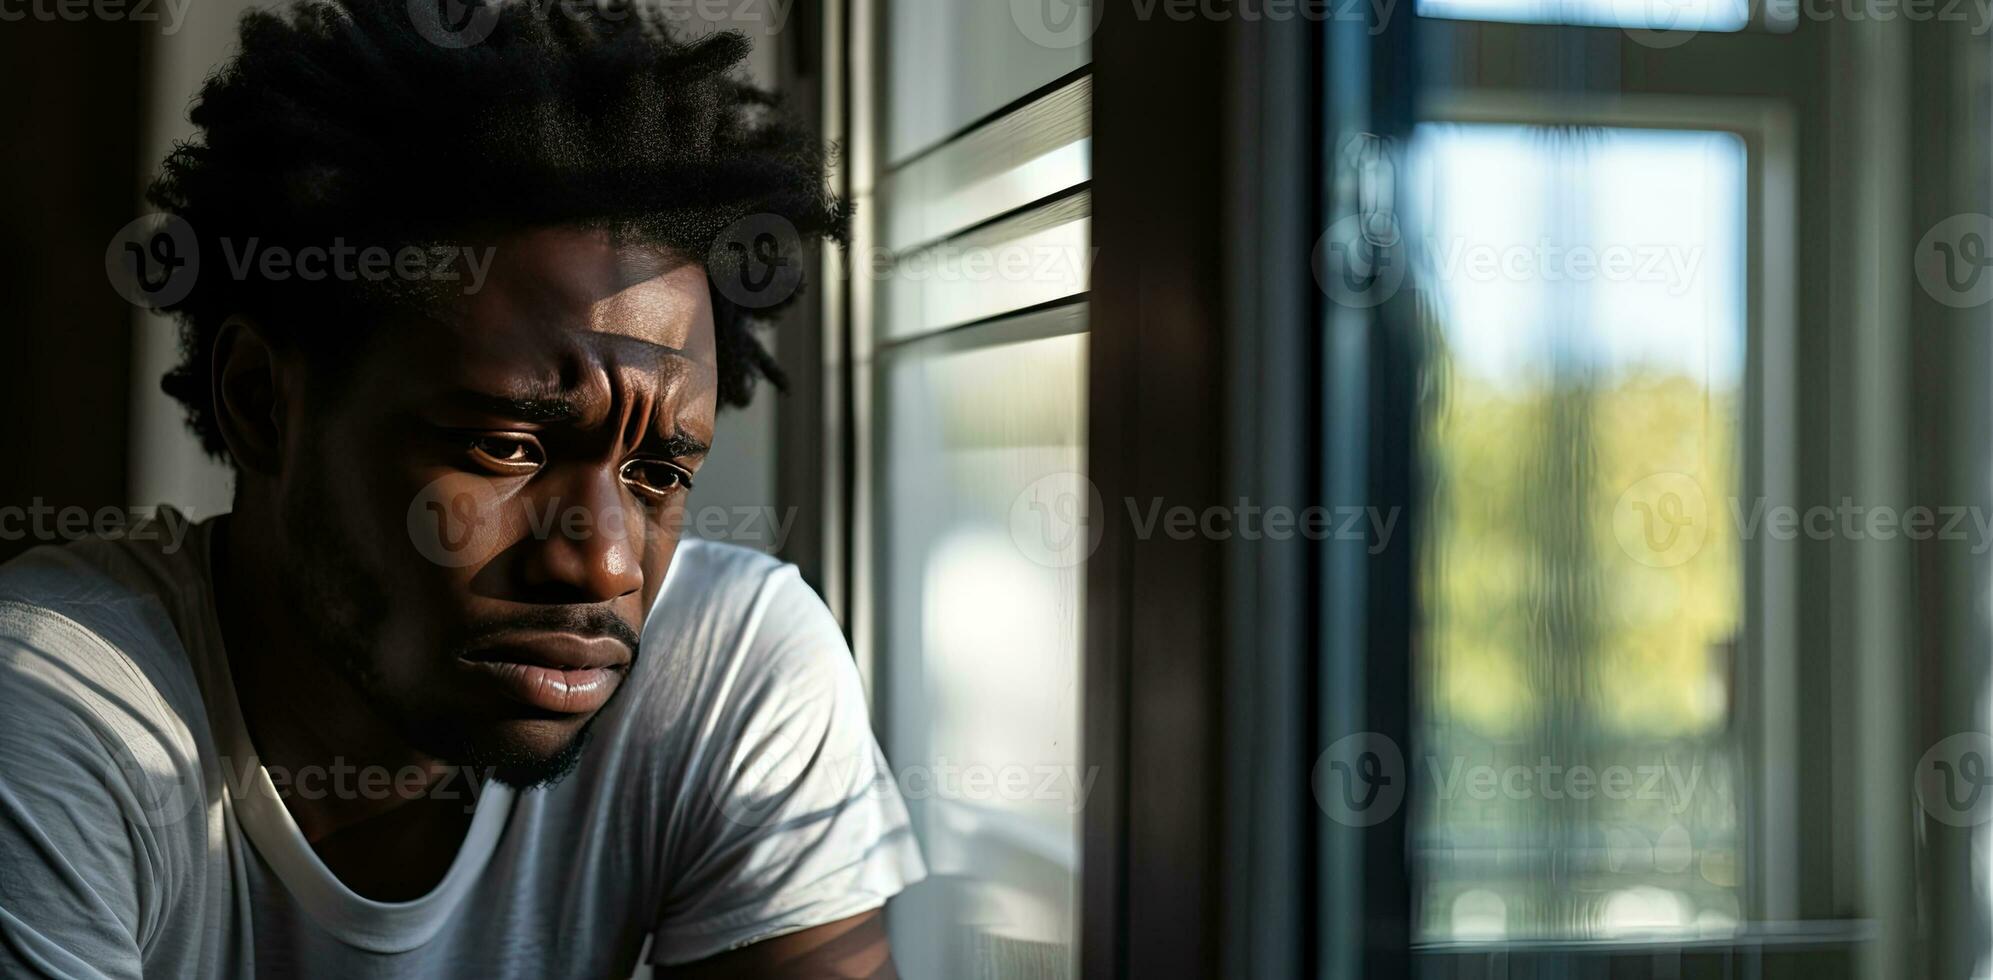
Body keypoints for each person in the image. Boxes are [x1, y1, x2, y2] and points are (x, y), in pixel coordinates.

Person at [0, 1, 924, 975]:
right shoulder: (57, 701)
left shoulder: (729, 661)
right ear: (261, 402)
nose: (603, 558)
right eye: (504, 445)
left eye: (657, 471)